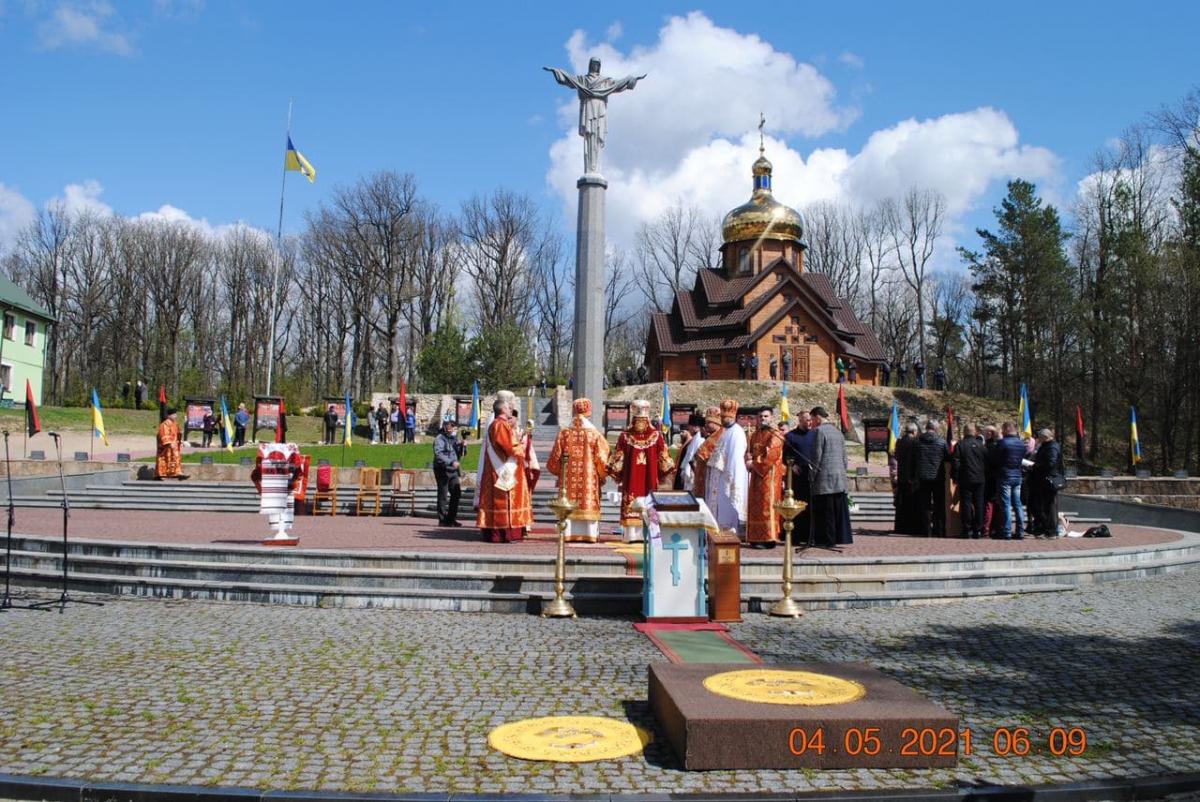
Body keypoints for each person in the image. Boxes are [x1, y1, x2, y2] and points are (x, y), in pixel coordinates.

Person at [607, 399, 674, 542]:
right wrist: (661, 475)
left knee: (631, 498)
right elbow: (666, 463)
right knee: (649, 499)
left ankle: (631, 535)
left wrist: (616, 474)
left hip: (631, 481)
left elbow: (617, 462)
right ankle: (649, 535)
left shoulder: (625, 436)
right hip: (649, 480)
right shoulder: (656, 436)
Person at [547, 398, 610, 543]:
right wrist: (601, 475)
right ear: (589, 411)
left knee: (568, 500)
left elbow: (554, 459)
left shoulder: (564, 433)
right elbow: (602, 459)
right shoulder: (595, 434)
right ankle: (589, 534)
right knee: (586, 501)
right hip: (588, 478)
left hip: (568, 478)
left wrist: (560, 472)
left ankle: (568, 533)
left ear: (574, 410)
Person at [475, 396, 532, 543]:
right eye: (508, 408)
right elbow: (507, 446)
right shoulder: (500, 425)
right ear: (502, 409)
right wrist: (521, 447)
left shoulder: (499, 424)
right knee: (505, 500)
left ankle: (502, 532)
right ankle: (506, 533)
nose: (510, 410)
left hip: (499, 467)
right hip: (502, 470)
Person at [700, 399, 748, 535]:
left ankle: (729, 534)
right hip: (719, 477)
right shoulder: (725, 431)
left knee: (727, 508)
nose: (724, 419)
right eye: (722, 416)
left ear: (733, 416)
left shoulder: (737, 432)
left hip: (728, 477)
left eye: (727, 416)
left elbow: (735, 458)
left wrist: (730, 478)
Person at [808, 406, 852, 546]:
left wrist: (811, 476)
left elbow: (816, 457)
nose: (811, 423)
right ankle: (839, 538)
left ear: (817, 417)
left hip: (824, 479)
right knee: (837, 512)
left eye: (812, 420)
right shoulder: (838, 432)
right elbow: (845, 458)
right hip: (839, 479)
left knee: (826, 513)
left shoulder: (819, 432)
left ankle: (826, 540)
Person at [746, 408, 785, 547]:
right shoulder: (755, 434)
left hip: (769, 476)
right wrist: (748, 459)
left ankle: (769, 538)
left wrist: (754, 463)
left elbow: (771, 456)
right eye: (760, 416)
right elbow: (749, 452)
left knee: (766, 506)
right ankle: (755, 537)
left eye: (766, 416)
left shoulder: (775, 435)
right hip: (756, 475)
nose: (763, 418)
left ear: (771, 418)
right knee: (755, 506)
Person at [914, 420, 951, 536]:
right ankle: (938, 529)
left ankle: (926, 530)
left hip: (922, 477)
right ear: (936, 428)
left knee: (924, 504)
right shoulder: (941, 442)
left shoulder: (918, 441)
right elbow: (948, 457)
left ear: (926, 428)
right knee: (939, 504)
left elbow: (914, 458)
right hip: (938, 477)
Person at [783, 410, 815, 543]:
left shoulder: (814, 435)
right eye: (807, 420)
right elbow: (785, 455)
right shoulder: (791, 436)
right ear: (800, 420)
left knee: (810, 507)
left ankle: (810, 536)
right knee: (797, 506)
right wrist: (793, 465)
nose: (809, 422)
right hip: (797, 476)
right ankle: (796, 536)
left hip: (811, 475)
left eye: (810, 420)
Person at [953, 423, 987, 539]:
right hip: (980, 478)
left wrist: (955, 477)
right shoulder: (981, 445)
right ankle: (978, 530)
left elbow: (956, 462)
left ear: (964, 432)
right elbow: (986, 461)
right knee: (979, 504)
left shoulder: (960, 445)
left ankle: (966, 529)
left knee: (966, 503)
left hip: (966, 478)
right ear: (975, 432)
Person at [1030, 429, 1064, 538]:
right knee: (1043, 506)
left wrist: (1036, 466)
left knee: (1050, 506)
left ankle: (1051, 531)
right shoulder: (1046, 446)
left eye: (1039, 437)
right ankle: (1045, 529)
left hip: (1048, 480)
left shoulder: (1052, 447)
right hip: (1041, 479)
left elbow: (1050, 463)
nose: (1038, 439)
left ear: (1044, 437)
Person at [997, 422, 1027, 539]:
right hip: (1017, 476)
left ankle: (1007, 531)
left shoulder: (1003, 443)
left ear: (1006, 429)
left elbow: (997, 459)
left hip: (1005, 476)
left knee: (1006, 505)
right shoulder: (1021, 444)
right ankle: (1020, 531)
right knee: (1018, 504)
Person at [433, 419, 465, 526]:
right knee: (443, 495)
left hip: (453, 471)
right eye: (453, 427)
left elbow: (460, 454)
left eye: (455, 428)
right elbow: (439, 454)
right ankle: (442, 519)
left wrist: (463, 446)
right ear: (447, 428)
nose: (455, 430)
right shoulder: (439, 439)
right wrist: (451, 462)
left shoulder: (454, 438)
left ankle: (451, 518)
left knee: (456, 493)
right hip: (442, 469)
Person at [892, 423, 920, 534]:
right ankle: (911, 527)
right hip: (912, 478)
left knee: (901, 505)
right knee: (911, 504)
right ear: (914, 431)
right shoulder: (915, 442)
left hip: (901, 476)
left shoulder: (899, 442)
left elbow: (897, 456)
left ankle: (900, 527)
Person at [691, 406, 721, 496]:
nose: (706, 425)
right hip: (704, 475)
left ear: (717, 423)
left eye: (709, 422)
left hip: (712, 476)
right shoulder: (711, 436)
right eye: (706, 422)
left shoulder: (719, 436)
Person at [675, 413, 705, 491]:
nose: (688, 428)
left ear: (696, 427)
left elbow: (693, 457)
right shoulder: (693, 439)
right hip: (690, 471)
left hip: (693, 473)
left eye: (690, 426)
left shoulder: (700, 440)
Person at [982, 425, 1003, 537]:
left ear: (989, 433)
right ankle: (996, 528)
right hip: (997, 477)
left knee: (989, 504)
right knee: (996, 503)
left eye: (984, 432)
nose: (983, 434)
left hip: (990, 478)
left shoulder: (989, 447)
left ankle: (987, 528)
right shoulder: (998, 446)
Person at [157, 407, 184, 480]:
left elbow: (177, 433)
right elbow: (163, 434)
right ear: (169, 415)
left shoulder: (175, 423)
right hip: (166, 446)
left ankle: (177, 472)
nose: (176, 416)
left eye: (176, 414)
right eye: (174, 414)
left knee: (176, 458)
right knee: (164, 460)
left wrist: (180, 438)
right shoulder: (165, 424)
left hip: (174, 445)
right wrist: (169, 443)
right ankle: (162, 474)